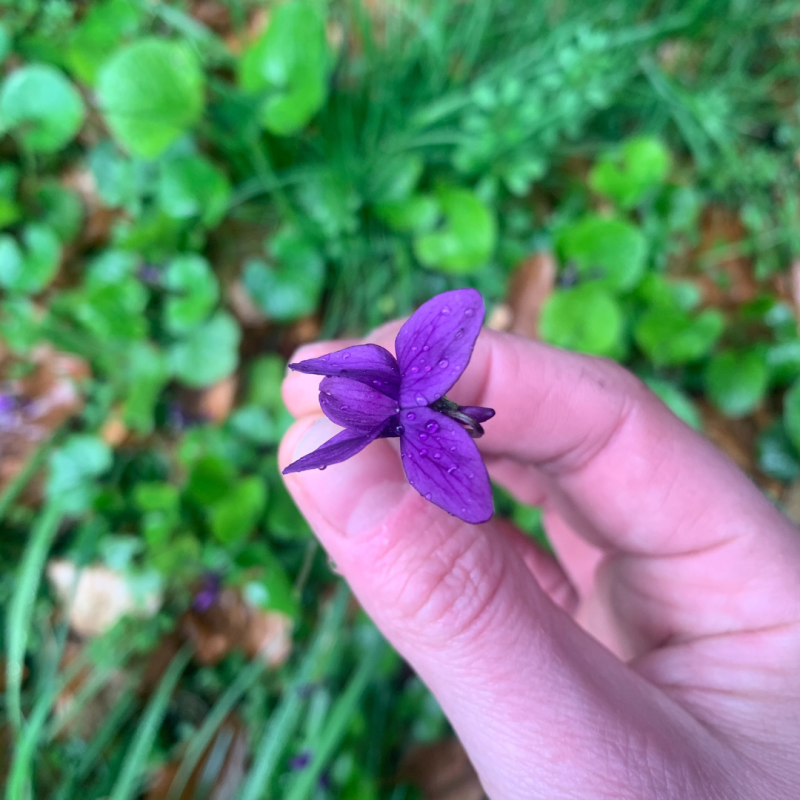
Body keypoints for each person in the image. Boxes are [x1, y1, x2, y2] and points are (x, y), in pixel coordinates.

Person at [280, 322, 800, 799]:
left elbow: (458, 321)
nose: (343, 396)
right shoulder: (414, 415)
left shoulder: (419, 425)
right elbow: (454, 322)